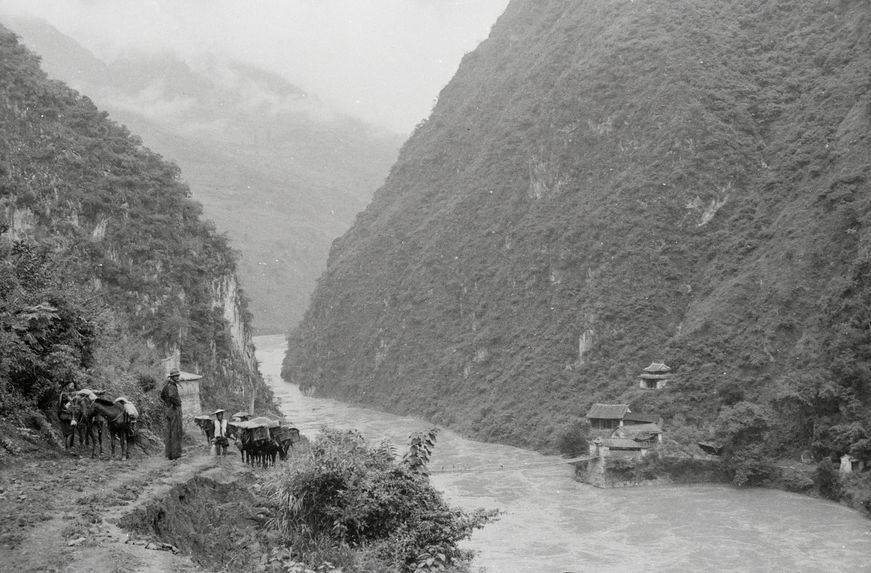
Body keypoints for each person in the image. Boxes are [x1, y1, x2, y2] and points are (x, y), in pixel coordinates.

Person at [160, 368, 183, 460]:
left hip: (168, 410)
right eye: (176, 376)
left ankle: (169, 454)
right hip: (173, 410)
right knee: (175, 432)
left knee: (169, 432)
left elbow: (162, 395)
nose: (177, 377)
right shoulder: (172, 386)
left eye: (178, 375)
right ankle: (175, 455)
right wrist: (177, 403)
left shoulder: (167, 385)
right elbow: (172, 396)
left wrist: (167, 403)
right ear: (172, 377)